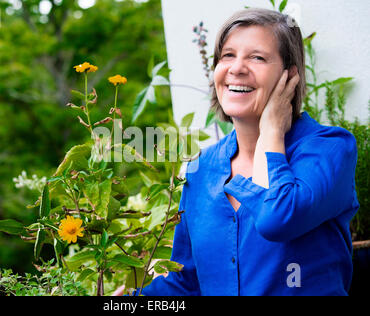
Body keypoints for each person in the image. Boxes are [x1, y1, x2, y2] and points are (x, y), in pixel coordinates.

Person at [120, 8, 360, 296]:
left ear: (290, 75)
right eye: (227, 55)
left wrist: (271, 134)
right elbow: (187, 281)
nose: (237, 68)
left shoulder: (330, 148)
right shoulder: (201, 168)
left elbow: (279, 218)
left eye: (257, 57)